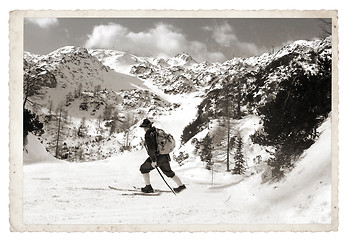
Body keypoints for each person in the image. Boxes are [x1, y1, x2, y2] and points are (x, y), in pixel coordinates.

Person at [139, 118, 186, 193]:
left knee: (143, 169)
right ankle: (181, 186)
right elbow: (157, 143)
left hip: (157, 157)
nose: (144, 129)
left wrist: (153, 160)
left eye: (144, 127)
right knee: (169, 172)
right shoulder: (157, 131)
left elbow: (152, 149)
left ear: (146, 127)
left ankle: (148, 187)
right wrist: (145, 143)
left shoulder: (148, 134)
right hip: (165, 155)